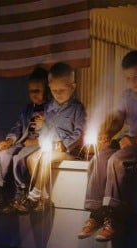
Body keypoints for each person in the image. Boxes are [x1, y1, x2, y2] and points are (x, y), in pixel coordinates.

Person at [78, 50, 137, 242]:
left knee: (117, 160)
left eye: (136, 77)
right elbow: (118, 120)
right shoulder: (126, 95)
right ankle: (97, 213)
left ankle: (114, 216)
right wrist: (108, 133)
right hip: (126, 141)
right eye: (128, 78)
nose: (132, 82)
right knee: (100, 157)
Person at [16, 62, 86, 214]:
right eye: (54, 90)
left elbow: (78, 133)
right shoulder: (48, 108)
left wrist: (64, 144)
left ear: (72, 87)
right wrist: (43, 138)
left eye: (62, 90)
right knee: (31, 159)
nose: (58, 94)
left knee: (46, 157)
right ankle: (44, 196)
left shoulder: (77, 108)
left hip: (68, 152)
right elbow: (44, 132)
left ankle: (34, 195)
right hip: (50, 148)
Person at [0, 67, 50, 216]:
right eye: (30, 91)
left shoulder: (53, 109)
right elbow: (17, 127)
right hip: (23, 143)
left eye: (37, 91)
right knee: (2, 155)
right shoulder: (27, 109)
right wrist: (9, 140)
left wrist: (44, 128)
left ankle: (20, 196)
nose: (32, 95)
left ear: (47, 89)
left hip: (41, 145)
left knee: (20, 157)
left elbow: (57, 131)